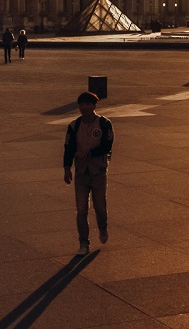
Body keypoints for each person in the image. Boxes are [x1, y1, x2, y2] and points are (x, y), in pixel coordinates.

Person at [63, 91, 114, 256]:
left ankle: (102, 227)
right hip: (81, 173)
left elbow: (107, 146)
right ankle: (84, 243)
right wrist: (66, 168)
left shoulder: (104, 124)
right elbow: (69, 148)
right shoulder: (74, 126)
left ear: (94, 106)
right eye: (81, 104)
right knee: (82, 209)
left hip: (98, 171)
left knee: (100, 207)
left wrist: (89, 153)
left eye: (87, 104)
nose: (84, 107)